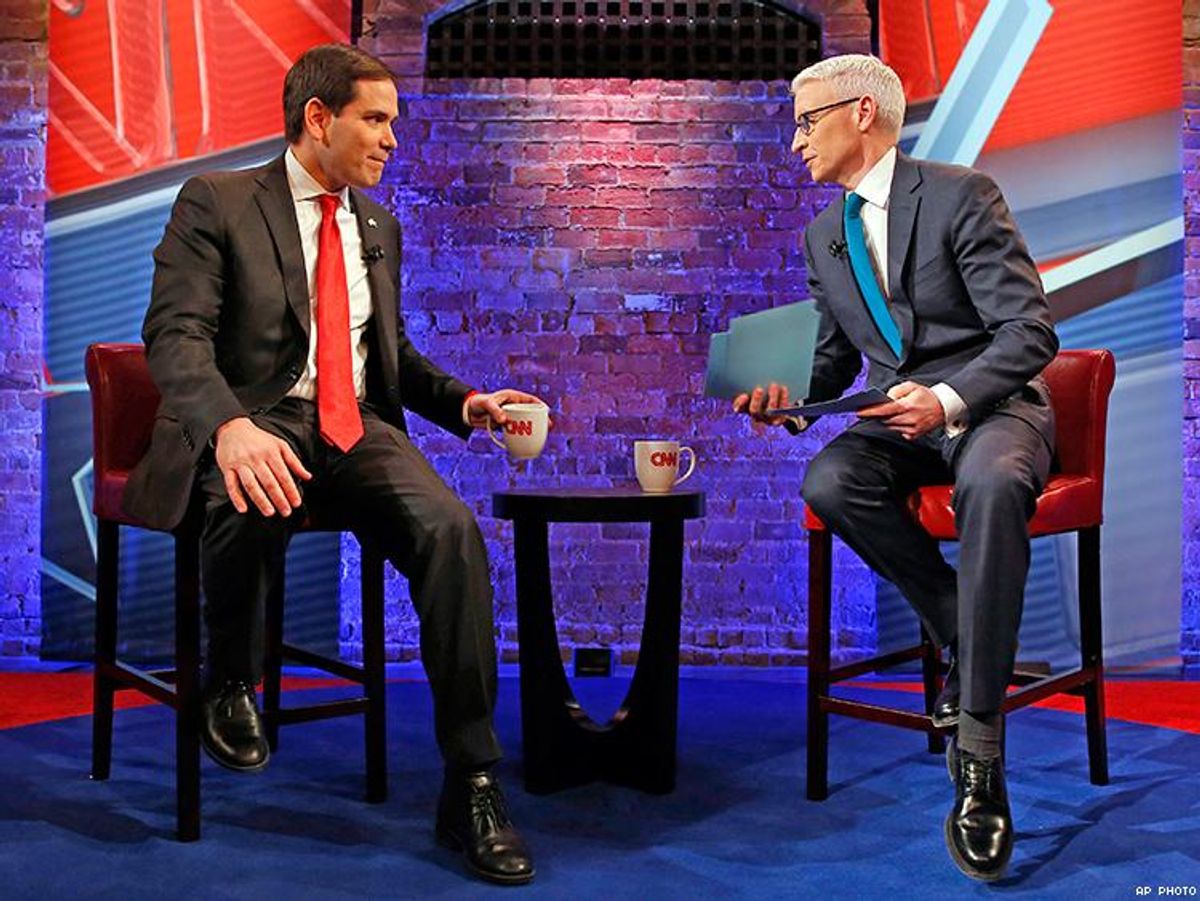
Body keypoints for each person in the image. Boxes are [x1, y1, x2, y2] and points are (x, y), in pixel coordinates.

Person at [123, 42, 539, 886]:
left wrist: (465, 401)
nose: (391, 139)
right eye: (375, 120)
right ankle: (230, 676)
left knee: (451, 532)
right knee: (250, 482)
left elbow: (391, 356)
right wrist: (229, 426)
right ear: (319, 118)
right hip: (256, 413)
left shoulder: (377, 225)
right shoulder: (219, 200)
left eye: (392, 122)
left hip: (354, 428)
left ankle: (472, 781)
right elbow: (175, 334)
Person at [735, 54, 1058, 882]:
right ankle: (963, 625)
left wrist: (946, 399)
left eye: (807, 121)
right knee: (828, 478)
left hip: (991, 406)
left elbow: (1028, 331)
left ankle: (979, 756)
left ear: (862, 114)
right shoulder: (823, 235)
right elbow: (836, 359)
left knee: (991, 480)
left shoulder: (961, 194)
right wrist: (788, 400)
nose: (797, 141)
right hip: (898, 423)